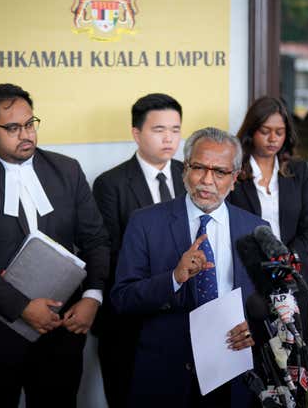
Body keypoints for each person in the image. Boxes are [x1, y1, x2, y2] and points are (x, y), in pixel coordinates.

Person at [0, 83, 110, 407]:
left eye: (30, 124)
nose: (26, 135)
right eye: (13, 128)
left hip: (59, 334)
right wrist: (22, 308)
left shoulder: (67, 170)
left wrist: (93, 296)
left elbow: (96, 239)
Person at [111, 127, 266, 408]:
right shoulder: (145, 223)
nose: (207, 180)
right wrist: (173, 278)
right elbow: (122, 299)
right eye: (198, 168)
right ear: (185, 170)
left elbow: (270, 304)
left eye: (219, 172)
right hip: (166, 371)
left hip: (231, 370)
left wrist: (256, 329)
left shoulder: (256, 230)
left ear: (234, 179)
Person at [92, 93, 185, 407]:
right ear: (136, 133)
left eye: (175, 129)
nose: (169, 138)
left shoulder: (192, 176)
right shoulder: (110, 184)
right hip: (131, 318)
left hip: (185, 316)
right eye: (159, 130)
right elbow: (111, 252)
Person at [228, 96, 308, 340]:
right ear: (251, 132)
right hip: (251, 281)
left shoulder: (298, 170)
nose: (272, 139)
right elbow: (231, 230)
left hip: (293, 280)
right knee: (260, 359)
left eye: (279, 132)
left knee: (297, 362)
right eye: (265, 131)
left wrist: (287, 262)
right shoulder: (235, 173)